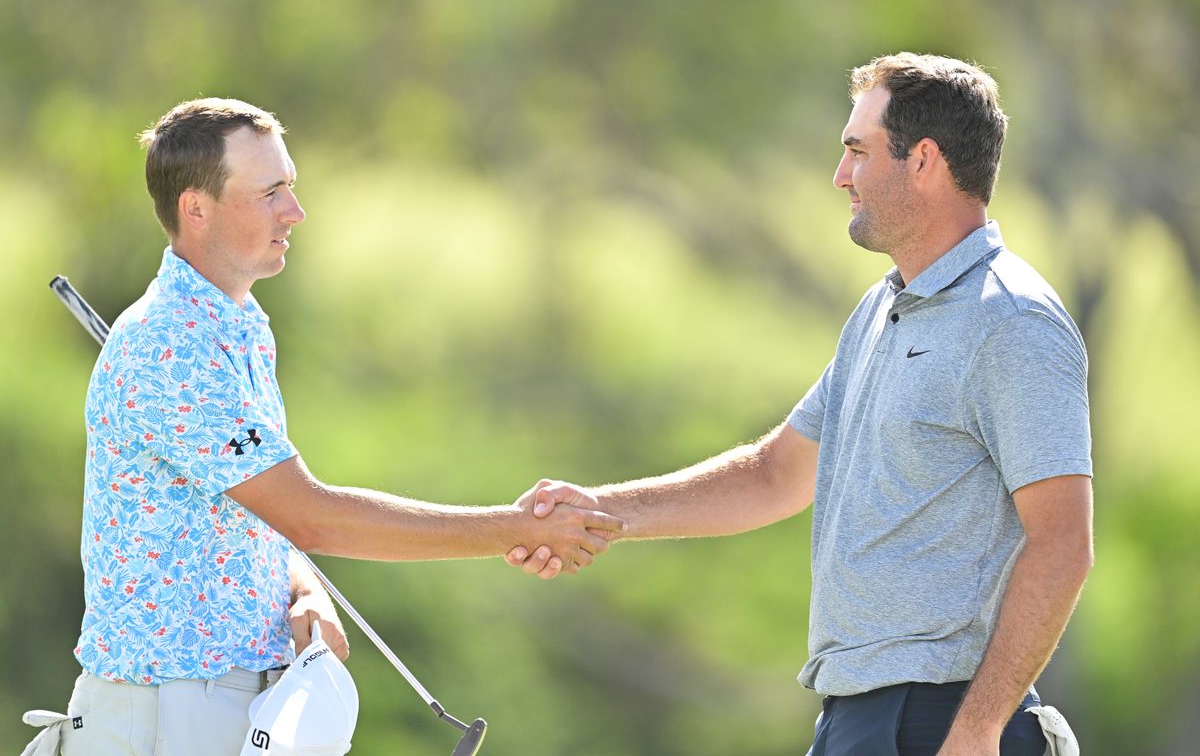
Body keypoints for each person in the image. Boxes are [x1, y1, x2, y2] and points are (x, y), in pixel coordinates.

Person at [506, 53, 1094, 756]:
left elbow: (1063, 544)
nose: (840, 176)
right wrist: (597, 515)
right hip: (857, 718)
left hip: (943, 723)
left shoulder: (1013, 322)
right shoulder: (882, 308)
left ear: (925, 161)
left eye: (857, 151)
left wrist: (977, 729)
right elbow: (774, 474)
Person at [56, 98, 625, 756]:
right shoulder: (169, 345)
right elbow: (310, 515)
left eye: (290, 188)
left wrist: (299, 586)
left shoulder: (240, 325)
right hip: (167, 716)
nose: (293, 212)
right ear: (197, 209)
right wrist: (515, 529)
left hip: (241, 706)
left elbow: (250, 508)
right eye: (270, 193)